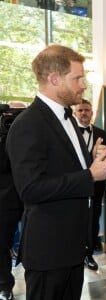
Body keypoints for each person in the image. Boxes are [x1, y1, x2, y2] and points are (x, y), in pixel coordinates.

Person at [6, 44, 106, 300]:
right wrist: (90, 175)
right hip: (49, 252)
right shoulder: (28, 123)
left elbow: (62, 166)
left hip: (72, 248)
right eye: (77, 78)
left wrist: (90, 160)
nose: (83, 85)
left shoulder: (67, 117)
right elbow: (30, 188)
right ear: (54, 79)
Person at [74, 99, 106, 271]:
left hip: (97, 186)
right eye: (80, 110)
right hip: (76, 185)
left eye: (86, 110)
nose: (84, 113)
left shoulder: (102, 133)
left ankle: (89, 254)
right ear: (75, 113)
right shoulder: (70, 133)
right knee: (77, 218)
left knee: (93, 219)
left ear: (92, 112)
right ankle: (76, 252)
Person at [0, 102, 26, 300]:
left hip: (34, 198)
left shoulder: (30, 130)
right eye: (7, 115)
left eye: (16, 114)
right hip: (6, 201)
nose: (11, 119)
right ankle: (5, 285)